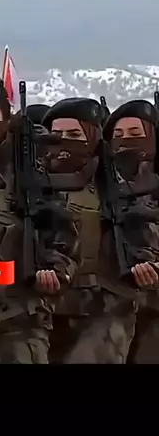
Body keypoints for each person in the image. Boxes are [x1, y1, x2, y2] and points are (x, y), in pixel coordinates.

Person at [0, 79, 79, 364]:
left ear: (7, 121)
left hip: (18, 323)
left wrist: (55, 270)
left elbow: (63, 236)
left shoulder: (29, 176)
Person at [44, 98, 159, 364]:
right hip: (42, 313)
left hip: (106, 311)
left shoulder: (118, 187)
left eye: (75, 135)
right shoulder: (32, 186)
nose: (64, 143)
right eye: (57, 135)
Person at [103, 100, 159, 364]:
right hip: (111, 311)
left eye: (136, 134)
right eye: (118, 135)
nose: (126, 141)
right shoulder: (100, 186)